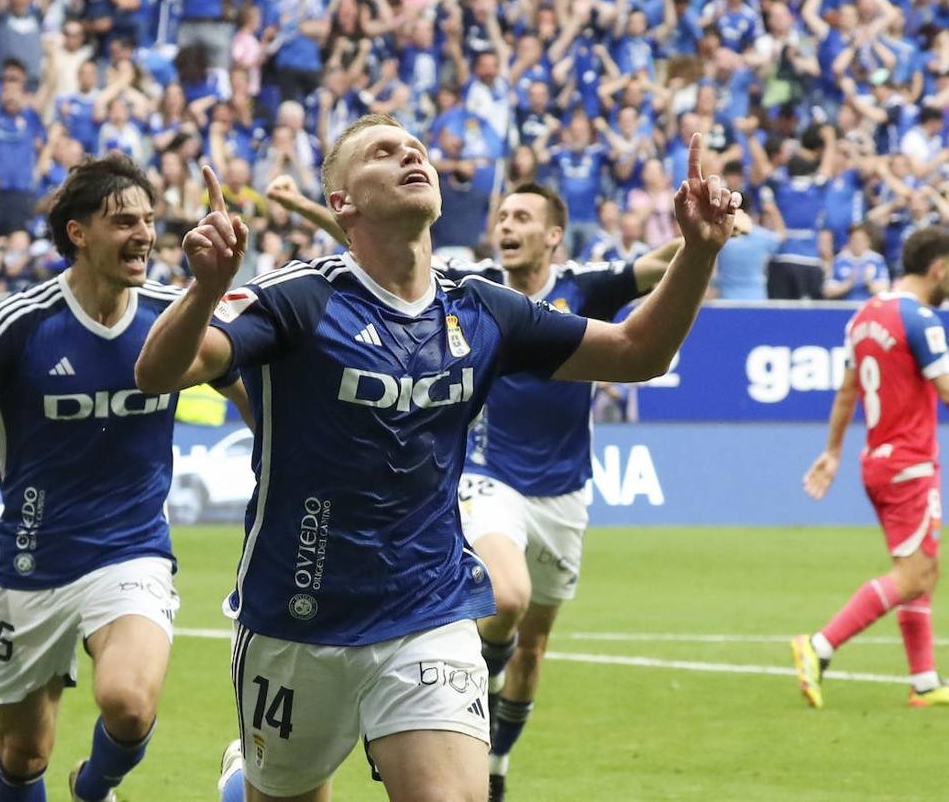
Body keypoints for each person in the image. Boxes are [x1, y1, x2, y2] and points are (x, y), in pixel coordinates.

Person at [134, 113, 740, 802]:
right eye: (383, 152)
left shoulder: (483, 309)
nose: (409, 154)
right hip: (297, 615)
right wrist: (204, 290)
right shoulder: (298, 299)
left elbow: (639, 353)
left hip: (429, 608)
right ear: (343, 203)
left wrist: (698, 252)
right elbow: (159, 373)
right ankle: (246, 778)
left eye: (414, 147)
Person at [0, 152, 251, 802]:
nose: (143, 234)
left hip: (132, 550)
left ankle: (91, 787)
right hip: (34, 561)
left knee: (129, 704)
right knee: (23, 755)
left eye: (149, 219)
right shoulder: (18, 324)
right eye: (122, 220)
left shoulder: (175, 314)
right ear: (77, 233)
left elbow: (260, 407)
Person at [441, 183, 681, 802]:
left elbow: (664, 265)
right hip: (488, 475)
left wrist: (701, 233)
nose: (506, 225)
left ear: (552, 235)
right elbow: (392, 261)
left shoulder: (588, 286)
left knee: (535, 647)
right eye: (502, 216)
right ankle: (469, 698)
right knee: (508, 596)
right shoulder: (477, 288)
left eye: (523, 216)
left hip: (565, 493)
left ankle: (494, 764)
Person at [795, 227, 949, 709]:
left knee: (920, 570)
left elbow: (847, 391)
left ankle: (924, 682)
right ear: (938, 268)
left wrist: (834, 450)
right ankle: (819, 647)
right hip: (909, 464)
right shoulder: (921, 320)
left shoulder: (864, 316)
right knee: (915, 573)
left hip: (876, 461)